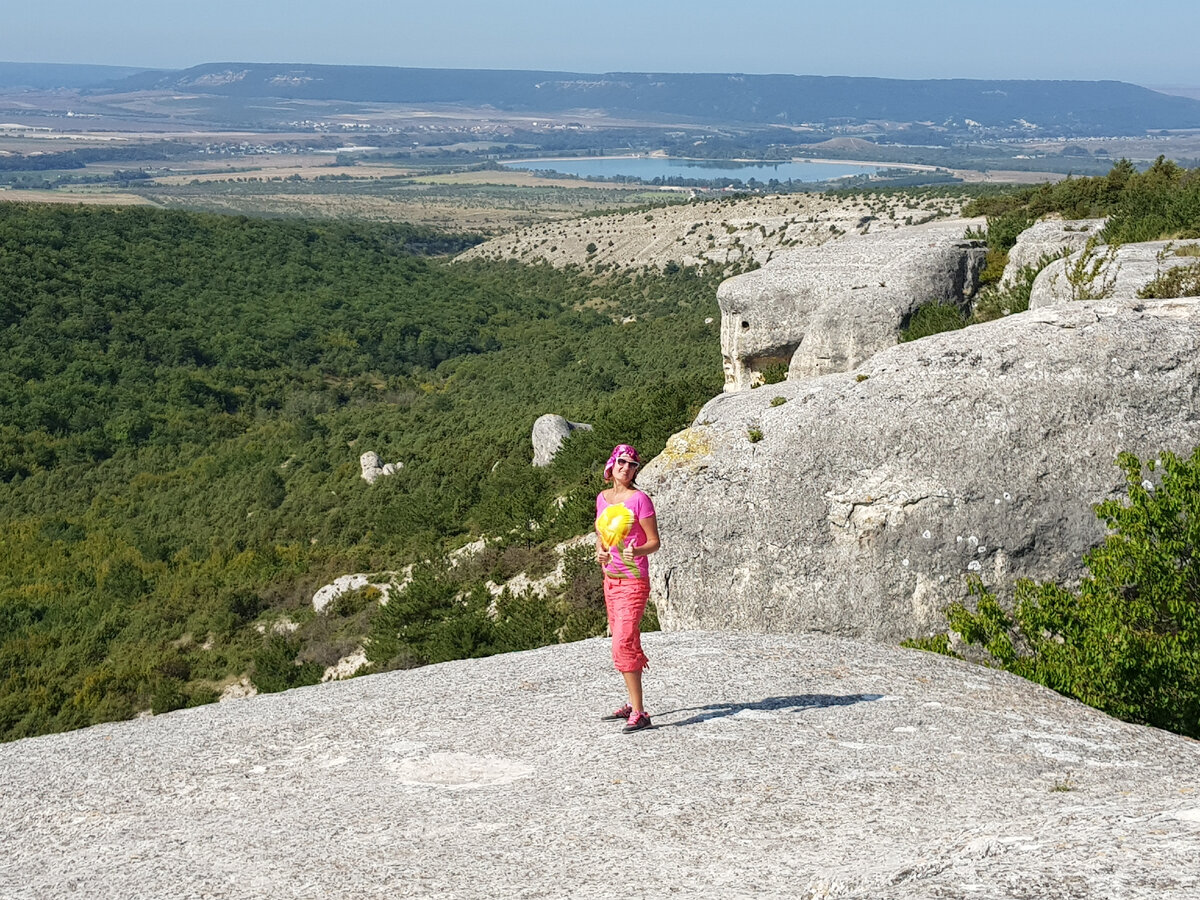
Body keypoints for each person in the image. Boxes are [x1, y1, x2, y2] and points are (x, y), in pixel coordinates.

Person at [594, 443, 660, 732]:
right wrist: (600, 552)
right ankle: (633, 705)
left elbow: (654, 541)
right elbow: (600, 535)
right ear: (612, 465)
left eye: (632, 464)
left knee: (622, 642)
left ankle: (641, 713)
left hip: (634, 581)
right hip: (611, 580)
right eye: (622, 462)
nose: (626, 468)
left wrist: (640, 551)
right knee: (627, 642)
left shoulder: (640, 500)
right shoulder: (603, 498)